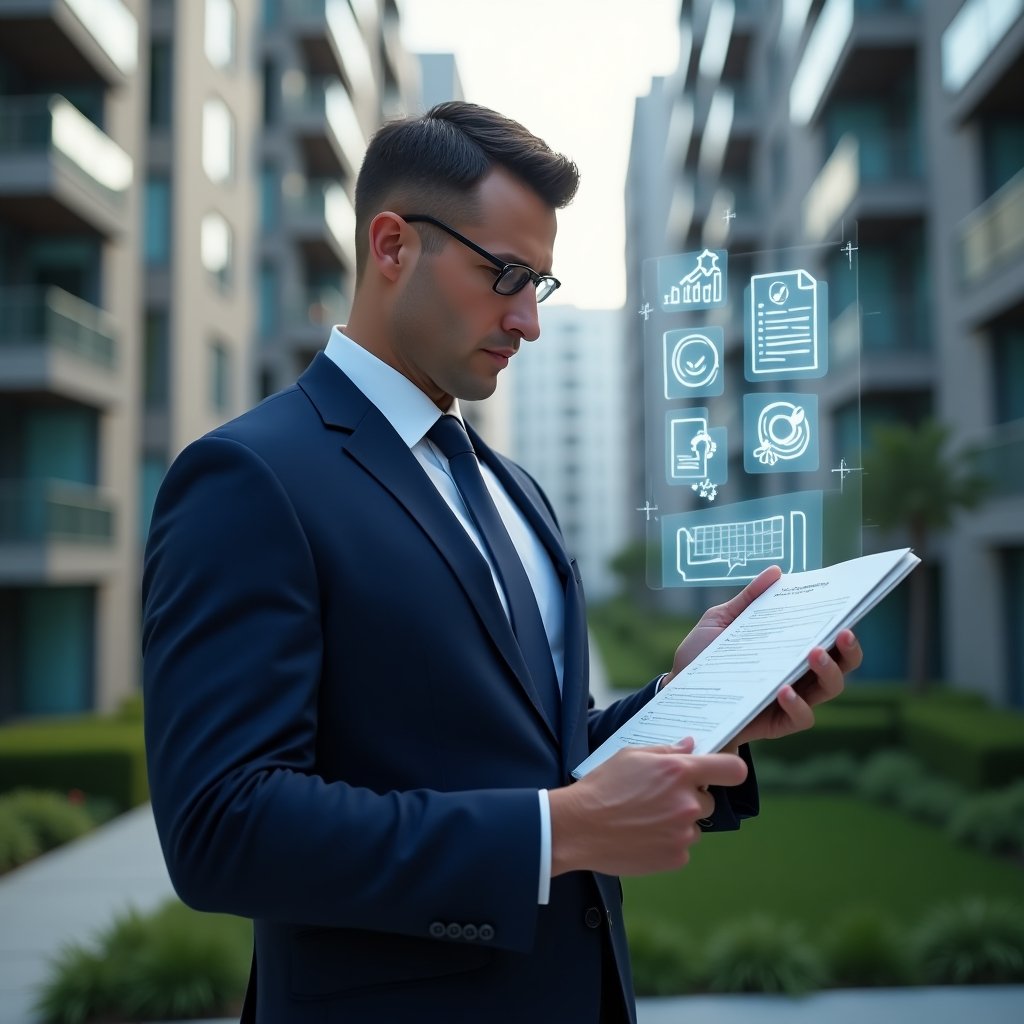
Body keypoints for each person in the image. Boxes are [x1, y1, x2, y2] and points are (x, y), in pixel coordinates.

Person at [142, 101, 862, 1024]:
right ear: (393, 245)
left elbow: (533, 753)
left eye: (542, 286)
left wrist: (708, 698)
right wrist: (558, 832)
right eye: (507, 276)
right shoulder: (249, 477)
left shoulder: (513, 488)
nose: (526, 320)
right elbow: (223, 826)